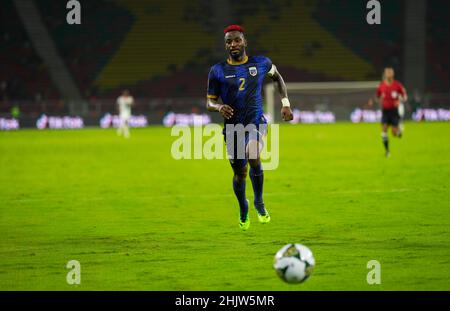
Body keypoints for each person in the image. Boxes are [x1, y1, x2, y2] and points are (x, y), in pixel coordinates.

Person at [206, 25, 293, 231]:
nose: (233, 44)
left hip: (256, 121)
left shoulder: (261, 63)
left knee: (253, 153)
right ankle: (243, 206)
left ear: (244, 42)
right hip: (232, 129)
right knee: (240, 172)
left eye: (236, 40)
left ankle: (259, 202)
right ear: (225, 45)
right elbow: (209, 102)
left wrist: (286, 103)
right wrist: (219, 107)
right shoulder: (217, 70)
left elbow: (278, 77)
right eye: (229, 41)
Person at [369, 67, 408, 157]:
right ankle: (387, 151)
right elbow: (377, 96)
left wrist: (400, 100)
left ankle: (398, 132)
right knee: (384, 129)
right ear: (385, 74)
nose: (389, 74)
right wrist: (373, 101)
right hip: (385, 111)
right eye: (387, 73)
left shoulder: (397, 85)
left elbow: (405, 96)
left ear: (392, 74)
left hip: (394, 112)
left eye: (390, 73)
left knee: (394, 133)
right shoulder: (381, 86)